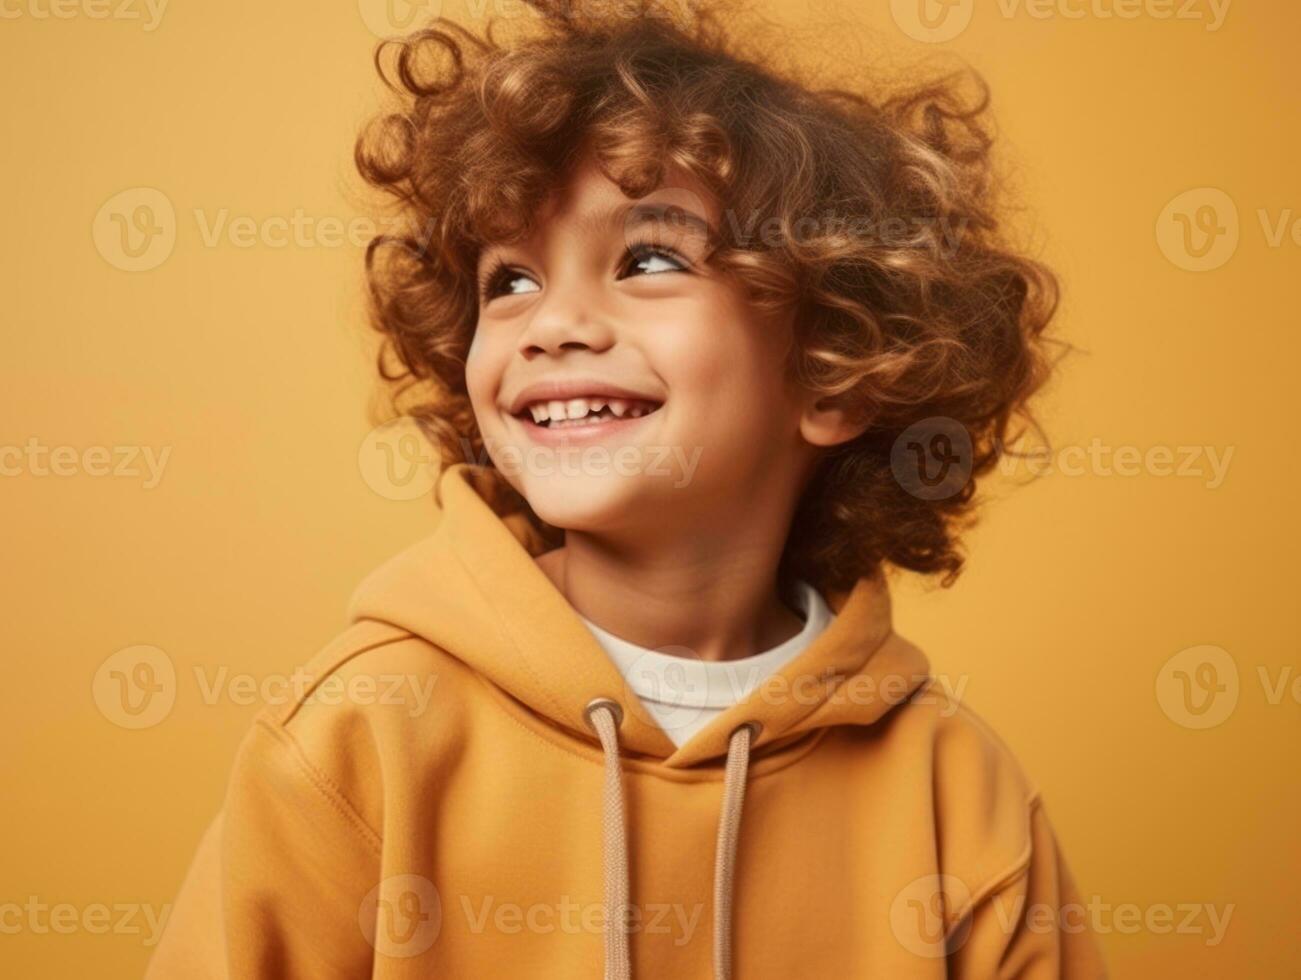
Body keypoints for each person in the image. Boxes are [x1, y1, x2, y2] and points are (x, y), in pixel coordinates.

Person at [148, 2, 1107, 975]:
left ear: (832, 369)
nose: (551, 321)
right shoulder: (361, 731)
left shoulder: (958, 795)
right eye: (508, 279)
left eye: (647, 258)